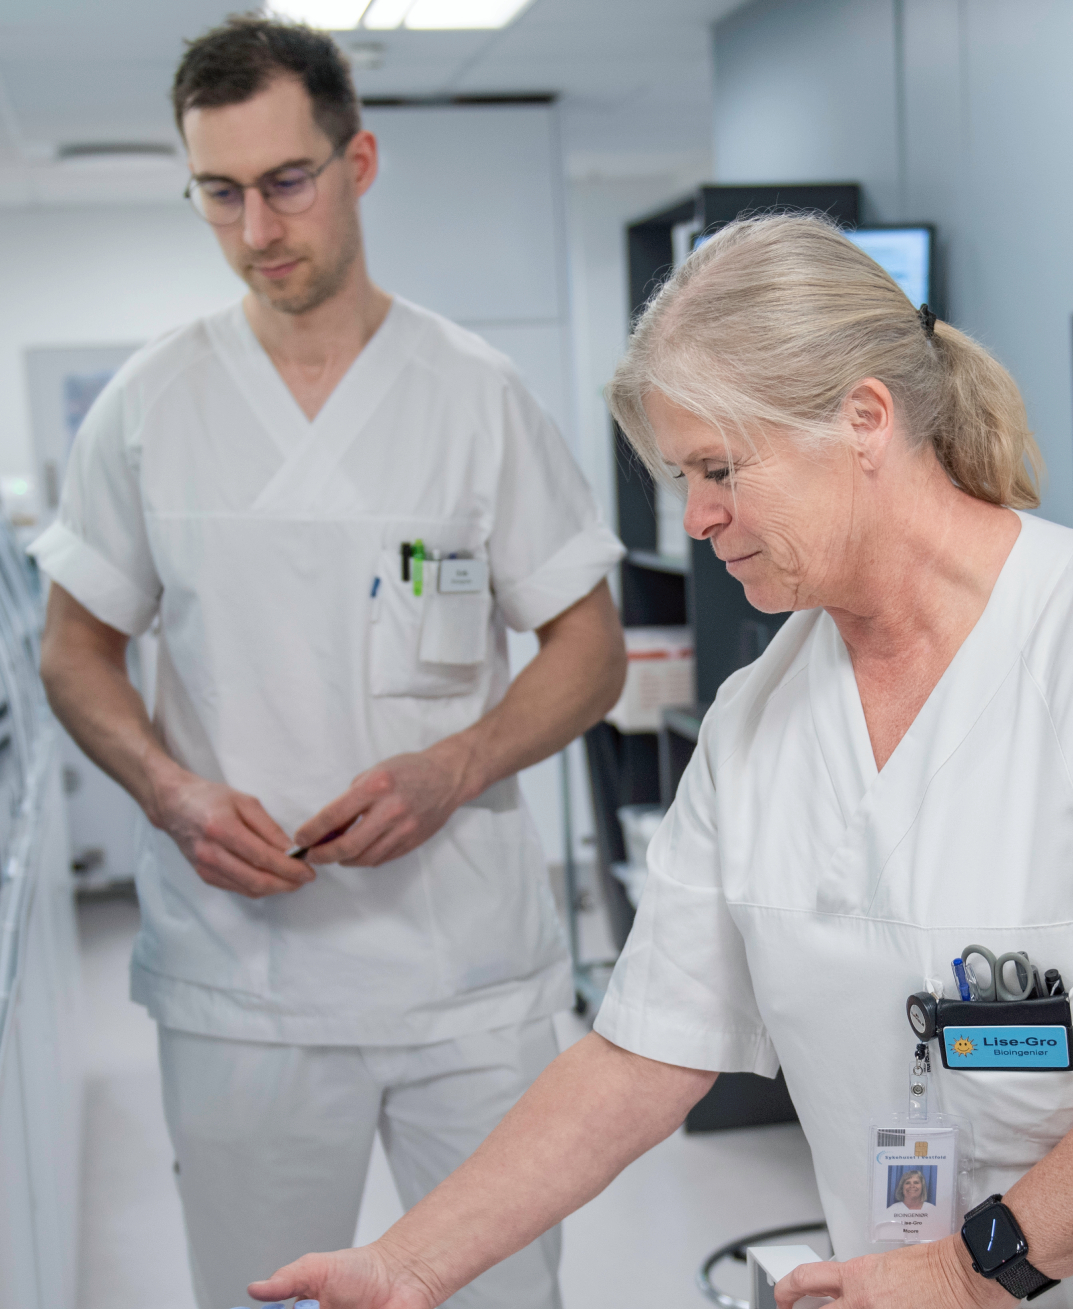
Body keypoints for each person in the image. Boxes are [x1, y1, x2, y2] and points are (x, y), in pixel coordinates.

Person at [245, 215, 1073, 1309]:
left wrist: (965, 1272)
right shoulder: (760, 719)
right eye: (680, 480)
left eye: (718, 468)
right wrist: (405, 1263)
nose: (696, 519)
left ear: (863, 420)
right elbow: (639, 1054)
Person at [30, 16, 626, 1309]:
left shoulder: (476, 394)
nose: (259, 229)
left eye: (286, 182)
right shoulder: (149, 409)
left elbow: (590, 647)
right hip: (244, 984)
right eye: (220, 194)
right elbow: (74, 651)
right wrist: (168, 792)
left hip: (465, 977)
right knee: (262, 1297)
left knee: (507, 1292)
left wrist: (458, 765)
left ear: (358, 162)